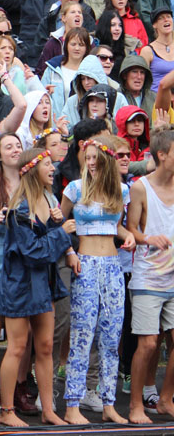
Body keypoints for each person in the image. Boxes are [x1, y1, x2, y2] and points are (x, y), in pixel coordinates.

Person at [0, 148, 75, 427]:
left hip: (44, 284)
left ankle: (48, 410)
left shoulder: (48, 197)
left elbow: (48, 245)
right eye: (48, 164)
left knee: (43, 346)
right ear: (32, 169)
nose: (54, 167)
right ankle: (6, 411)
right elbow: (33, 252)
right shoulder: (20, 209)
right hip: (20, 284)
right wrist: (61, 233)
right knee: (17, 347)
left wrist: (57, 227)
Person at [60, 136, 133, 425]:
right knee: (82, 335)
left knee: (112, 338)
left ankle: (108, 403)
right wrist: (68, 250)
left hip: (113, 266)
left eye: (95, 158)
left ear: (107, 159)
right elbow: (57, 224)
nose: (90, 163)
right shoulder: (75, 189)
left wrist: (126, 235)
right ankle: (72, 404)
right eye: (87, 158)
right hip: (86, 265)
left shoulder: (122, 190)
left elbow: (116, 226)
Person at [126, 127, 174, 424]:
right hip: (148, 277)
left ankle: (166, 399)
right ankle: (134, 405)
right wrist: (147, 238)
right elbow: (131, 228)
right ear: (162, 155)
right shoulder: (140, 187)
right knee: (149, 343)